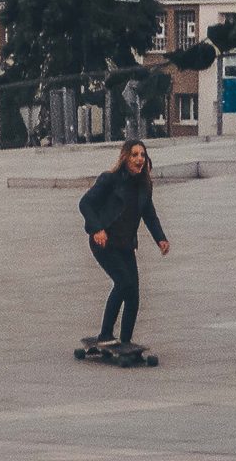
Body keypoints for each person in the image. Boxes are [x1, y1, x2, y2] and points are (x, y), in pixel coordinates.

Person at [78, 139, 171, 348]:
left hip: (126, 244)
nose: (139, 159)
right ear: (125, 158)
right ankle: (105, 334)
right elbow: (85, 203)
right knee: (123, 282)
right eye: (134, 155)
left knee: (134, 292)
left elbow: (150, 215)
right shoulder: (110, 180)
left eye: (142, 155)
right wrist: (97, 229)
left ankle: (126, 341)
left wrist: (161, 239)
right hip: (104, 243)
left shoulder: (144, 187)